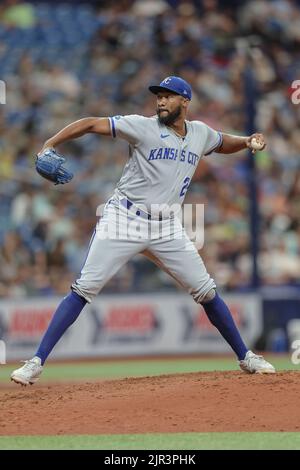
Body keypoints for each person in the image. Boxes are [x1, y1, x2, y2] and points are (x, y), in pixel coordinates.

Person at [11, 76, 275, 385]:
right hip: (124, 218)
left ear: (185, 102)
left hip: (166, 227)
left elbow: (220, 141)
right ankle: (36, 362)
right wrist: (50, 143)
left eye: (169, 96)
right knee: (84, 288)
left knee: (206, 291)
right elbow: (91, 123)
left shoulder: (200, 133)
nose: (161, 101)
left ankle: (246, 357)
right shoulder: (142, 126)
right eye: (159, 96)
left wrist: (245, 141)